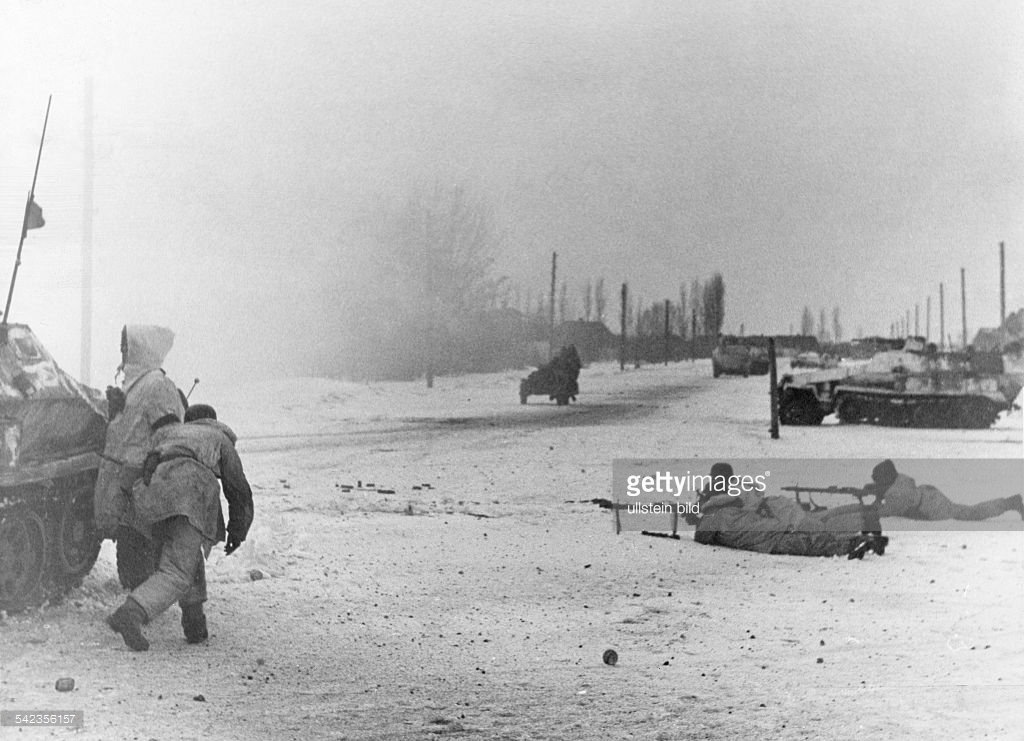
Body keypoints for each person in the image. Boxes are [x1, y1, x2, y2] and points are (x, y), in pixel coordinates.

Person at [106, 403, 254, 651]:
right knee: (176, 569)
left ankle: (194, 622)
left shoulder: (168, 434)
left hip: (150, 493)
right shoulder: (218, 437)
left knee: (186, 549)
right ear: (213, 420)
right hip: (188, 491)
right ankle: (132, 613)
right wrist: (237, 531)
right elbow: (238, 490)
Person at [94, 325, 185, 589]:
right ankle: (139, 592)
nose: (122, 351)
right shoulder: (135, 384)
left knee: (139, 539)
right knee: (129, 538)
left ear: (141, 348)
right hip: (124, 477)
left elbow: (168, 434)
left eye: (127, 345)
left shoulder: (158, 384)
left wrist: (153, 469)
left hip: (141, 478)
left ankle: (143, 600)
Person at [690, 463, 887, 559]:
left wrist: (697, 515)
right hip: (775, 515)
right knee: (819, 522)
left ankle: (858, 532)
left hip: (774, 522)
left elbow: (702, 535)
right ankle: (863, 515)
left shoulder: (718, 510)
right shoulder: (735, 497)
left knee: (817, 532)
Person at [870, 459, 1023, 521]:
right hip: (929, 495)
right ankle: (1009, 503)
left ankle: (1010, 503)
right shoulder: (899, 480)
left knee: (970, 514)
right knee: (967, 511)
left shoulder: (896, 494)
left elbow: (886, 512)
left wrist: (876, 501)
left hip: (931, 506)